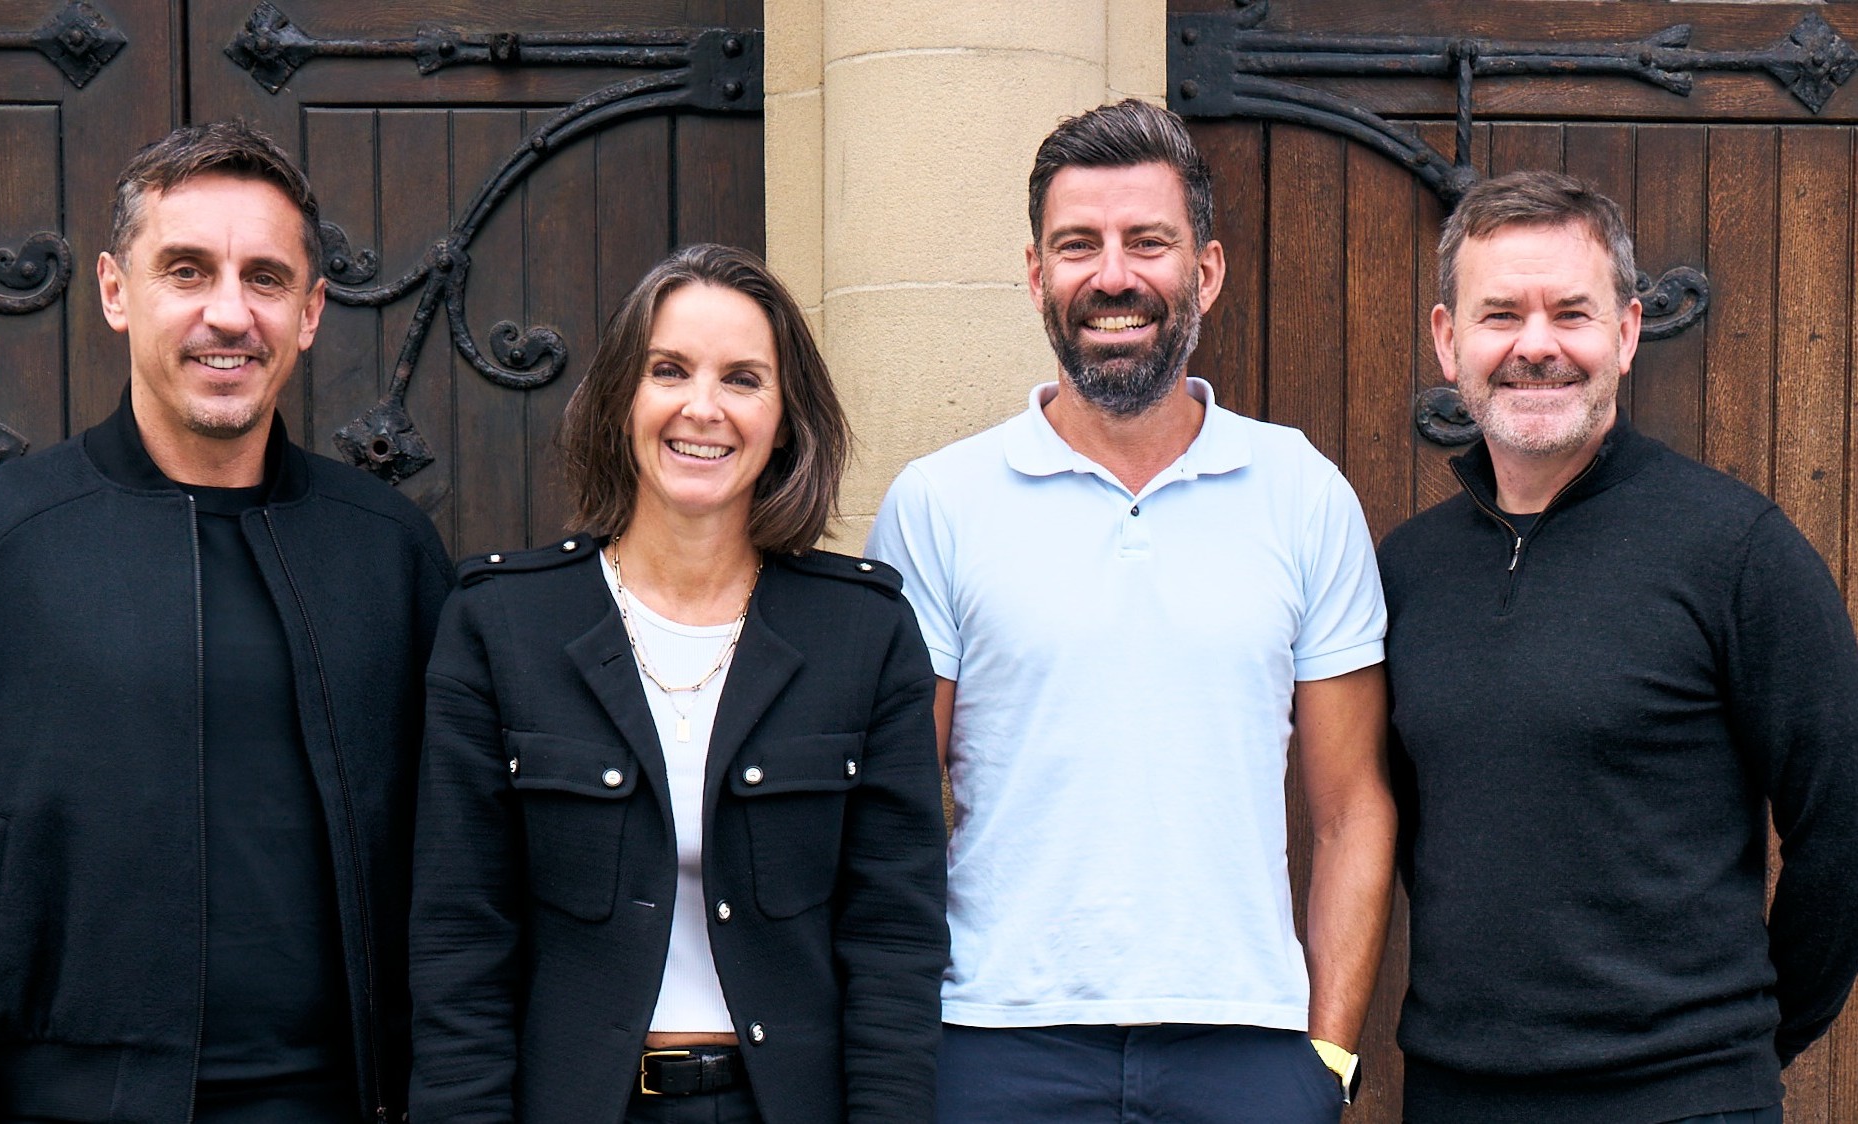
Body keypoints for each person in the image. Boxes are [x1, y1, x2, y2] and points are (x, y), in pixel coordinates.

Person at [0, 121, 452, 1121]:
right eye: (186, 270)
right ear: (115, 290)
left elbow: (462, 869)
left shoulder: (390, 553)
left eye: (265, 278)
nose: (229, 313)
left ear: (310, 312)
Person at [865, 99, 1393, 1122]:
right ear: (1035, 276)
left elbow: (1350, 806)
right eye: (1078, 245)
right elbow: (892, 808)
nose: (1113, 276)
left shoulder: (1301, 491)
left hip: (1248, 1044)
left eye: (1147, 241)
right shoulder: (938, 502)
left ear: (1206, 271)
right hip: (992, 1041)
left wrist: (1325, 1052)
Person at [407, 242, 949, 1124]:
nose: (704, 408)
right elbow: (461, 941)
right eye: (670, 370)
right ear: (625, 395)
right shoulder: (502, 625)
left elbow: (894, 941)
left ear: (785, 417)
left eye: (743, 378)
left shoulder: (864, 634)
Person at [1379, 168, 1858, 1124]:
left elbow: (1842, 826)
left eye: (1573, 312)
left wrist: (1735, 1048)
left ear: (1629, 333)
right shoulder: (1407, 571)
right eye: (1500, 314)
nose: (1537, 346)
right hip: (1454, 1095)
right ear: (1447, 340)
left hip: (1680, 1098)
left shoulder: (1738, 553)